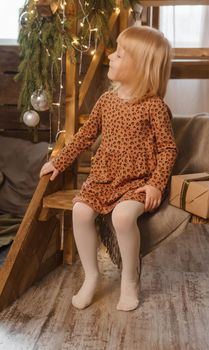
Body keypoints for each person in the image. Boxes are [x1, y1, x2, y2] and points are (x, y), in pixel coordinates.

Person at [40, 25, 178, 312]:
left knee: (124, 216)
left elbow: (168, 148)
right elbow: (84, 137)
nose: (111, 57)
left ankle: (130, 278)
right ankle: (91, 276)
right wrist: (58, 162)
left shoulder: (154, 106)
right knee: (80, 211)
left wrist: (156, 184)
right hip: (103, 178)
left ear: (140, 66)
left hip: (138, 181)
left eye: (120, 54)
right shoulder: (106, 101)